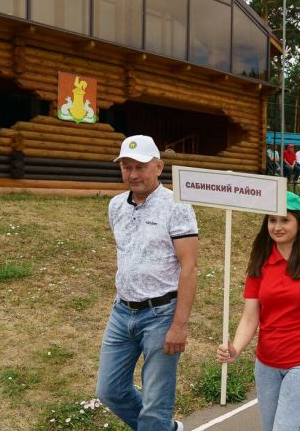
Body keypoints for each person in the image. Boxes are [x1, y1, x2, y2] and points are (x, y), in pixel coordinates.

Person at [217, 192, 300, 430]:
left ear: (299, 222)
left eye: (285, 220)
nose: (277, 227)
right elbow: (250, 317)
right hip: (267, 364)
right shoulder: (260, 263)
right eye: (272, 220)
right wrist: (235, 348)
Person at [96, 135, 199, 431]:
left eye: (140, 166)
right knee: (109, 391)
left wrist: (179, 326)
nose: (133, 174)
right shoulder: (116, 206)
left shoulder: (177, 206)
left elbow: (189, 267)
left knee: (155, 405)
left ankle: (158, 425)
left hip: (161, 315)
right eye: (126, 167)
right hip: (121, 313)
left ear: (158, 167)